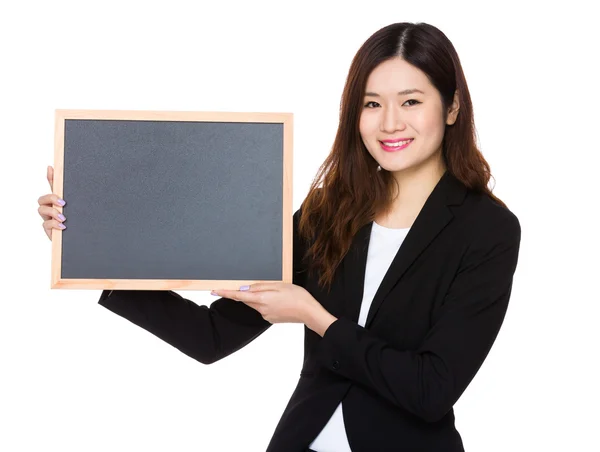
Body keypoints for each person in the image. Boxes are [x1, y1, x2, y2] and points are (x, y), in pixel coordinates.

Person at [37, 22, 521, 452]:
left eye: (411, 102)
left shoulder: (488, 230)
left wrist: (316, 318)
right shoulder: (332, 209)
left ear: (452, 106)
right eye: (372, 104)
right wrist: (91, 242)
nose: (390, 123)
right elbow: (211, 336)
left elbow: (430, 389)